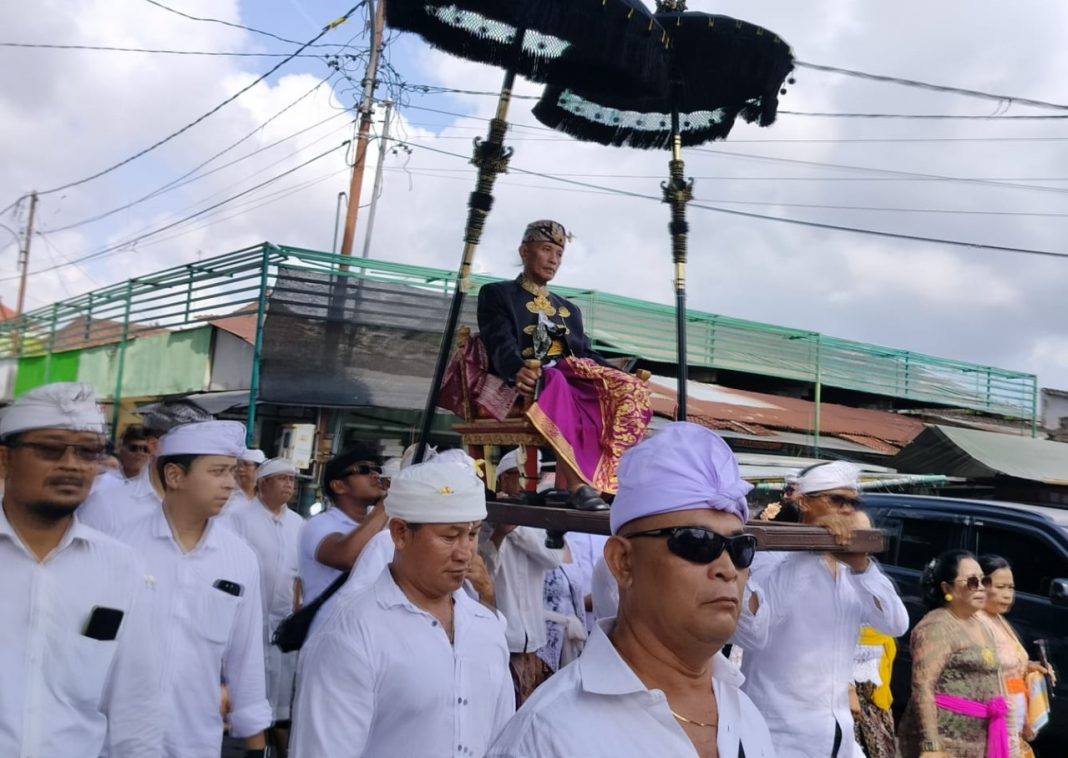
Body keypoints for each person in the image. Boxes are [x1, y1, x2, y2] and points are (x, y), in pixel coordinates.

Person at [487, 422, 775, 758]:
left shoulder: (745, 716)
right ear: (623, 561)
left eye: (740, 548)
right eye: (698, 542)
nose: (727, 568)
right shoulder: (550, 735)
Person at [291, 461, 515, 758]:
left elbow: (500, 742)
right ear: (400, 533)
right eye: (450, 537)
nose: (465, 554)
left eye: (472, 535)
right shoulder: (353, 635)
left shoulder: (487, 629)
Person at [0, 382, 162, 757]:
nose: (71, 465)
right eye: (50, 449)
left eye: (88, 452)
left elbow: (135, 708)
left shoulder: (122, 567)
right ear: (6, 459)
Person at [116, 420, 271, 757]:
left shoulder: (239, 559)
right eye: (217, 471)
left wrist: (255, 745)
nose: (230, 484)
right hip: (116, 741)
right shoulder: (121, 549)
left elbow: (246, 656)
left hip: (195, 741)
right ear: (175, 476)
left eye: (232, 471)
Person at [477, 219, 652, 510]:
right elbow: (499, 341)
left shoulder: (569, 309)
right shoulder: (498, 294)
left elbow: (585, 353)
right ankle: (576, 485)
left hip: (569, 373)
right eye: (546, 250)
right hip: (529, 378)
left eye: (558, 254)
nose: (553, 260)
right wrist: (516, 368)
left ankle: (615, 483)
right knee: (555, 379)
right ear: (524, 251)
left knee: (627, 390)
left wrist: (619, 376)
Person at [741, 461, 909, 758]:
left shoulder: (852, 570)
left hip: (837, 734)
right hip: (777, 736)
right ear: (804, 502)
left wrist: (862, 567)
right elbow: (755, 629)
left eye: (853, 502)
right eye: (837, 500)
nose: (846, 510)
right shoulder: (772, 556)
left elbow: (895, 624)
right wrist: (813, 548)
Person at [226, 457, 304, 758]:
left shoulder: (298, 523)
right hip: (249, 619)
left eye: (292, 480)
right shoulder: (239, 518)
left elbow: (298, 577)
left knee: (282, 697)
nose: (289, 485)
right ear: (264, 483)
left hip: (282, 622)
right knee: (250, 687)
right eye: (282, 479)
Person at [897, 550, 1009, 758]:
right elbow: (922, 687)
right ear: (947, 588)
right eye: (972, 581)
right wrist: (931, 746)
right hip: (945, 741)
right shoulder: (936, 626)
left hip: (977, 741)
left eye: (984, 580)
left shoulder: (979, 623)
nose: (981, 588)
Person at [482, 447, 564, 704]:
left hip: (535, 641)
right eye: (525, 475)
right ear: (505, 478)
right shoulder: (486, 519)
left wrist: (516, 529)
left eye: (537, 477)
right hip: (500, 641)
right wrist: (501, 531)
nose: (533, 483)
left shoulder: (540, 519)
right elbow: (481, 571)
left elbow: (553, 558)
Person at [79, 398, 212, 535]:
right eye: (190, 446)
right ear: (155, 446)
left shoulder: (214, 510)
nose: (200, 456)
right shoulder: (107, 506)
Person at [978, 554, 1057, 758]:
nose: (1007, 594)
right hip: (991, 730)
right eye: (1000, 587)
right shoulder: (975, 625)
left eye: (1011, 588)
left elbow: (1009, 669)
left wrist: (1031, 668)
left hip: (1013, 726)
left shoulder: (999, 620)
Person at [297, 446, 387, 607]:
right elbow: (346, 558)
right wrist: (388, 504)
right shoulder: (318, 524)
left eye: (377, 470)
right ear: (339, 486)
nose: (376, 475)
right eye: (364, 469)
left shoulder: (384, 524)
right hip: (327, 628)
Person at [224, 447, 266, 517]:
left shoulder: (266, 496)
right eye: (238, 465)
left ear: (259, 469)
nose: (240, 469)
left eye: (246, 465)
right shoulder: (226, 493)